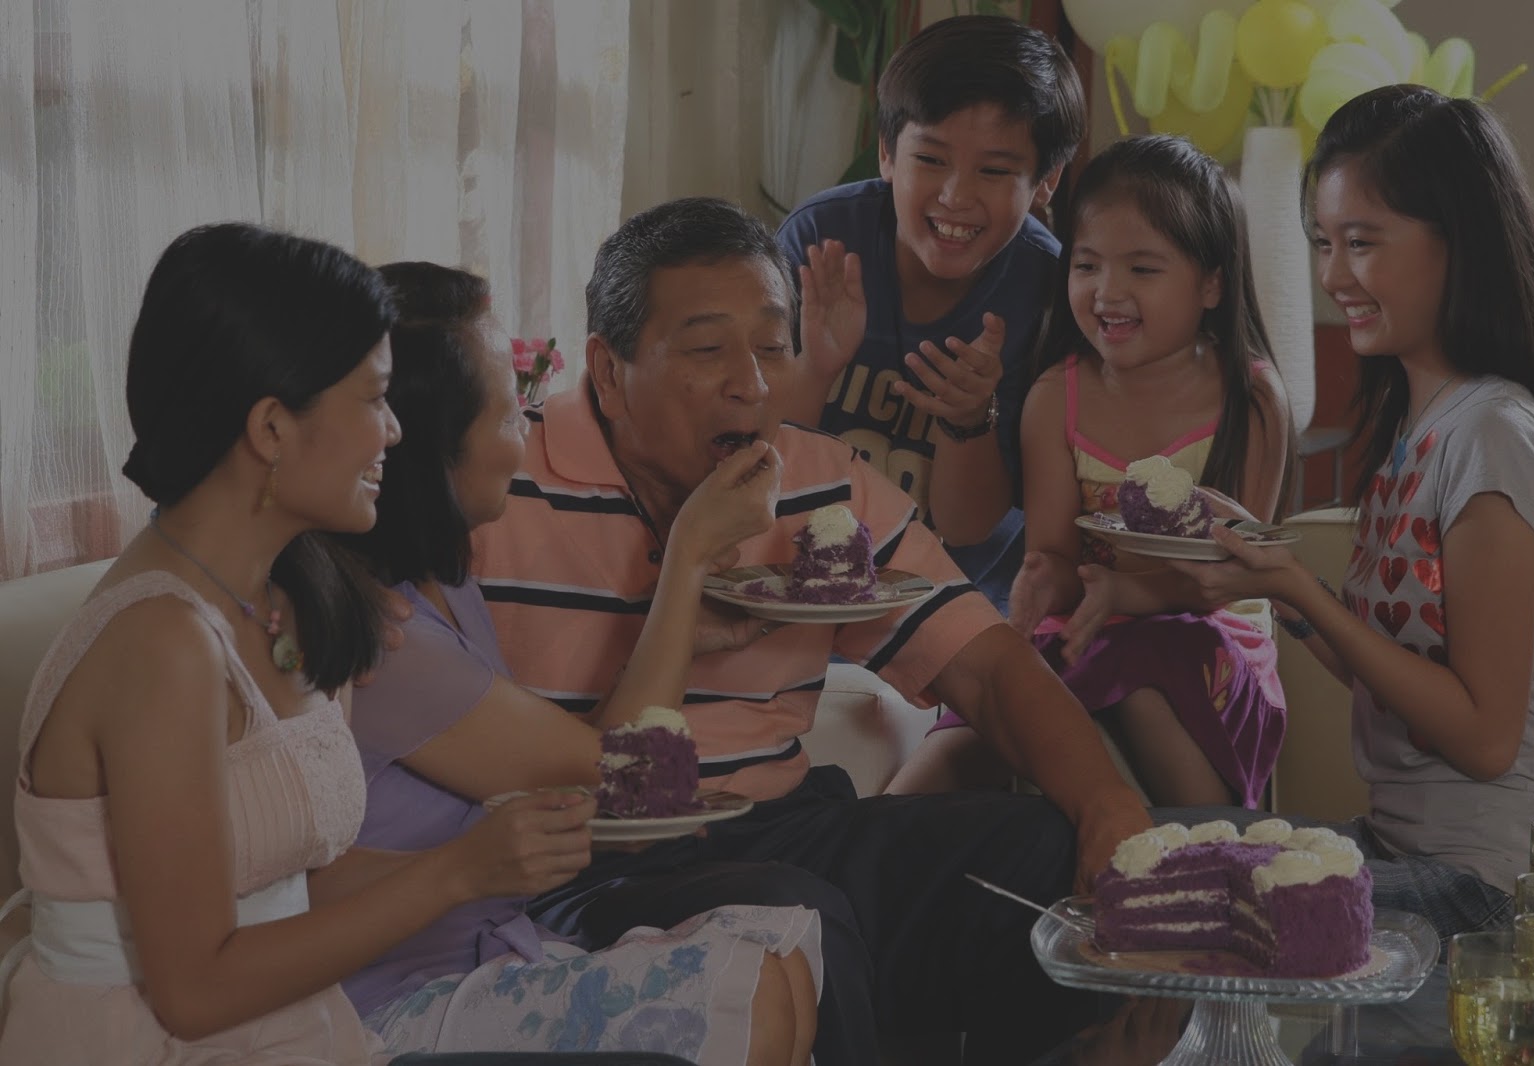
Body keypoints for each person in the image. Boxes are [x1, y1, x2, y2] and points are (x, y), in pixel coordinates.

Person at [471, 196, 1153, 1065]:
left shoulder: (821, 484)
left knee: (1040, 852)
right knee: (792, 910)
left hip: (776, 827)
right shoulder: (505, 487)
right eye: (709, 349)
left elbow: (984, 666)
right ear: (606, 371)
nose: (751, 385)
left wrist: (1111, 808)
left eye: (771, 346)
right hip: (579, 865)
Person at [0, 222, 690, 1066]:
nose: (394, 433)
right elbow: (195, 991)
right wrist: (458, 872)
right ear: (272, 428)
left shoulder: (283, 601)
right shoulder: (163, 644)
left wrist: (489, 858)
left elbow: (296, 888)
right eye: (372, 400)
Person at [338, 260, 818, 1066]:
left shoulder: (446, 583)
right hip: (395, 1003)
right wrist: (690, 554)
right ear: (429, 450)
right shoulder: (388, 641)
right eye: (508, 412)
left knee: (789, 952)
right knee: (758, 976)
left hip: (493, 951)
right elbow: (632, 779)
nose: (527, 429)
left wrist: (681, 623)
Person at [1168, 84, 1534, 944]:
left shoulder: (1494, 435)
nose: (1332, 278)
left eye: (1361, 244)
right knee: (1170, 869)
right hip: (1408, 850)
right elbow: (1399, 674)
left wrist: (1309, 593)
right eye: (1325, 243)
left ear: (1457, 243)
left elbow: (1482, 739)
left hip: (1497, 889)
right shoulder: (1417, 428)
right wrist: (1274, 586)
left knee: (1198, 920)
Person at [891, 135, 1292, 807]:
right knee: (983, 711)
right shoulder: (1059, 395)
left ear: (1212, 282)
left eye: (1143, 269)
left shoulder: (1249, 399)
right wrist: (1040, 582)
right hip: (1087, 623)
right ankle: (878, 845)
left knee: (1143, 669)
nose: (1108, 293)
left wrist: (1130, 596)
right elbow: (1054, 554)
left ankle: (1218, 853)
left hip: (1208, 633)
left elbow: (1235, 573)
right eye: (1087, 265)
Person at [775, 14, 1081, 612]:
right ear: (888, 154)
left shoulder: (1048, 288)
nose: (955, 196)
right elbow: (762, 467)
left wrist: (969, 419)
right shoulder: (819, 242)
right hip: (799, 582)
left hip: (956, 597)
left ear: (1045, 181)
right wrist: (815, 368)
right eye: (931, 159)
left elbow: (969, 529)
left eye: (994, 171)